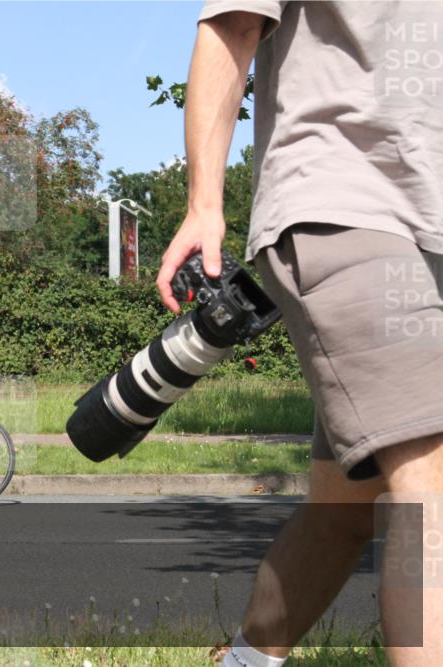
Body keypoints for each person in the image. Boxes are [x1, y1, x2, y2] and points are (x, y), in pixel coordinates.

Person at [156, 2, 442, 666]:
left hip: (430, 232)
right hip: (343, 198)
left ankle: (244, 661)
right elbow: (234, 24)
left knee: (343, 511)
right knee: (430, 478)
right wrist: (205, 201)